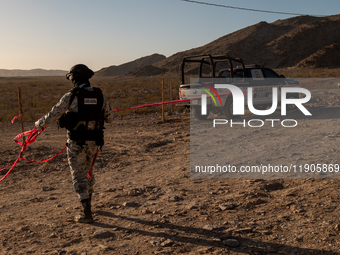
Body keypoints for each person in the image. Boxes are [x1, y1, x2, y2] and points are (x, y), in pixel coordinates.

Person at [35, 64, 114, 223]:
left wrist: (38, 124)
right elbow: (110, 118)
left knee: (78, 175)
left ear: (74, 78)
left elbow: (53, 115)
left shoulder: (70, 96)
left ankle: (87, 214)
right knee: (88, 172)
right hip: (94, 142)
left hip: (76, 142)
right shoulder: (100, 95)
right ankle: (89, 206)